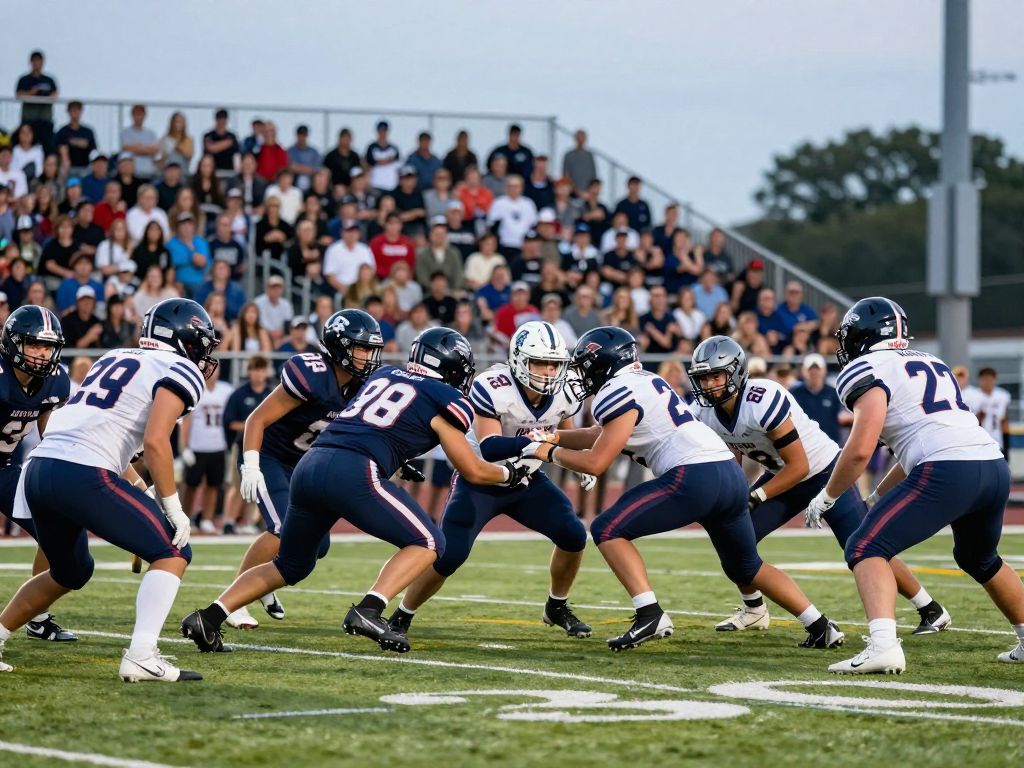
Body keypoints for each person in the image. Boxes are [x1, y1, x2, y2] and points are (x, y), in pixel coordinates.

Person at [181, 327, 532, 654]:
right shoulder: (445, 398)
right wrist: (509, 474)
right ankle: (370, 608)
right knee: (429, 542)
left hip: (311, 463)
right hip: (353, 469)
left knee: (291, 564)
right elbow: (471, 468)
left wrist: (395, 453)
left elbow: (368, 422)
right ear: (454, 369)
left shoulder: (384, 374)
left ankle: (208, 617)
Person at [518, 327, 846, 652]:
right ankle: (820, 626)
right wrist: (555, 437)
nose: (582, 374)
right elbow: (600, 435)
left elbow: (597, 462)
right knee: (747, 567)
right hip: (728, 474)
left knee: (607, 528)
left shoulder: (614, 390)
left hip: (693, 475)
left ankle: (650, 612)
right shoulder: (643, 381)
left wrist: (546, 453)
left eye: (586, 365)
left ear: (603, 363)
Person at [0, 298, 218, 681]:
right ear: (185, 339)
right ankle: (141, 655)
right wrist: (172, 505)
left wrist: (143, 493)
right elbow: (155, 441)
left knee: (71, 570)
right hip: (80, 472)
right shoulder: (181, 367)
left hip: (39, 470)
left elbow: (105, 437)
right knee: (174, 550)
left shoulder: (115, 355)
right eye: (201, 341)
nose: (204, 351)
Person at [807, 298, 1023, 673]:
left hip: (948, 469)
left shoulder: (866, 367)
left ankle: (883, 646)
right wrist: (877, 495)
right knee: (979, 557)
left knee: (865, 545)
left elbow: (860, 450)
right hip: (991, 466)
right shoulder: (932, 361)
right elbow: (922, 444)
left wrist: (828, 496)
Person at [688, 336, 949, 635]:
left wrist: (756, 495)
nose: (708, 385)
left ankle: (930, 608)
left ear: (735, 372)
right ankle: (754, 610)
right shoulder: (706, 411)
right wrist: (731, 495)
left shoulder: (761, 399)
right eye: (703, 378)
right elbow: (730, 455)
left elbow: (799, 466)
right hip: (782, 473)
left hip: (824, 471)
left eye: (715, 376)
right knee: (733, 538)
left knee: (863, 545)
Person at [392, 321, 592, 637]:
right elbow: (491, 446)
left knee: (573, 535)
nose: (549, 372)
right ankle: (402, 615)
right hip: (481, 479)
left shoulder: (565, 392)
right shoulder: (495, 386)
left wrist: (573, 458)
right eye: (540, 362)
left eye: (555, 364)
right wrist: (538, 444)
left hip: (527, 480)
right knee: (450, 555)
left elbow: (561, 425)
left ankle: (556, 605)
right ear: (518, 360)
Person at [0, 307, 75, 644]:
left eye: (47, 346)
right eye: (33, 345)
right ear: (14, 342)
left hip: (4, 468)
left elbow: (51, 432)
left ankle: (37, 618)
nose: (42, 353)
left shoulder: (55, 381)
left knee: (55, 524)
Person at [180, 370, 234, 534]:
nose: (213, 373)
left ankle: (207, 519)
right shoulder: (196, 389)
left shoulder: (226, 390)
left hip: (218, 445)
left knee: (214, 485)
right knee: (191, 485)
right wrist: (185, 447)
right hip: (197, 446)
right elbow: (186, 420)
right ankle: (185, 518)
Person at [789, 353, 845, 443]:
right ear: (804, 371)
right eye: (810, 369)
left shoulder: (834, 393)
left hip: (830, 444)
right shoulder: (794, 393)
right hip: (804, 443)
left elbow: (841, 415)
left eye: (817, 369)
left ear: (824, 370)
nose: (814, 372)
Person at [15, 51, 58, 152]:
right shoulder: (24, 79)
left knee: (49, 146)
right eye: (34, 60)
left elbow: (55, 95)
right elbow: (19, 95)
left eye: (39, 60)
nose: (36, 63)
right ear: (31, 62)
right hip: (29, 120)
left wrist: (44, 96)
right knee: (22, 143)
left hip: (45, 120)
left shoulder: (49, 80)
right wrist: (31, 93)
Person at [487, 176, 538, 258]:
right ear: (506, 187)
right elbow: (491, 224)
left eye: (516, 186)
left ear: (522, 188)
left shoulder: (528, 204)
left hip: (523, 246)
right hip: (505, 245)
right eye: (511, 186)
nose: (514, 189)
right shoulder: (499, 203)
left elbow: (533, 225)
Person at [324, 220, 375, 295]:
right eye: (348, 231)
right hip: (340, 290)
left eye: (354, 231)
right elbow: (330, 276)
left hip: (362, 290)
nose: (351, 234)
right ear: (342, 233)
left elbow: (371, 270)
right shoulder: (333, 249)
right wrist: (347, 290)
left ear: (359, 233)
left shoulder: (365, 249)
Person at [167, 212, 210, 296]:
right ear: (178, 227)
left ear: (194, 227)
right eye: (183, 224)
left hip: (200, 283)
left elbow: (202, 262)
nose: (186, 227)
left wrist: (191, 251)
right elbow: (170, 267)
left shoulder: (200, 242)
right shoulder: (171, 244)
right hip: (179, 283)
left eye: (189, 224)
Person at [975, 367, 1012, 458]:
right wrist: (979, 416)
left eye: (990, 379)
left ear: (995, 380)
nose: (988, 382)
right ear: (980, 380)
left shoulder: (1003, 395)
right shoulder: (973, 396)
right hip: (980, 440)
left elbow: (1005, 417)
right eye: (985, 379)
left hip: (999, 438)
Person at [54, 101, 95, 174]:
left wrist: (72, 141)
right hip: (68, 168)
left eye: (77, 110)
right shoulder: (62, 131)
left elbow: (93, 149)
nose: (75, 113)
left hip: (85, 167)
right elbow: (60, 149)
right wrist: (80, 143)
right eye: (73, 110)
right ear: (68, 112)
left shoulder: (88, 131)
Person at [252, 275, 293, 347]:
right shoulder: (258, 302)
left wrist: (280, 335)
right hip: (262, 335)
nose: (276, 290)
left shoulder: (286, 304)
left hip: (281, 337)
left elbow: (287, 325)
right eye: (273, 287)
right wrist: (273, 334)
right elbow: (259, 324)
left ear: (282, 290)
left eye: (278, 288)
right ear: (267, 288)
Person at [120, 105, 160, 179]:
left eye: (141, 114)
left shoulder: (151, 133)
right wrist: (146, 149)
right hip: (132, 173)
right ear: (132, 115)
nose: (139, 117)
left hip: (148, 172)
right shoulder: (125, 132)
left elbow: (155, 150)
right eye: (136, 114)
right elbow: (126, 148)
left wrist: (137, 147)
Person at [365, 120, 401, 192]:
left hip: (391, 186)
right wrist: (389, 160)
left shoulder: (394, 148)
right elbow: (368, 165)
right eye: (381, 131)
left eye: (384, 131)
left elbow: (398, 167)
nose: (383, 133)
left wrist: (380, 161)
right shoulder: (371, 147)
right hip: (376, 185)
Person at [202, 109, 240, 173]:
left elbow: (236, 155)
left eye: (224, 119)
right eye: (220, 119)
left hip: (229, 171)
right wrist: (226, 143)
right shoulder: (208, 136)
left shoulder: (232, 136)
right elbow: (210, 149)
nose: (222, 121)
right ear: (216, 120)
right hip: (212, 172)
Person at [561, 129, 597, 193]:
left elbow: (593, 175)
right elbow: (566, 175)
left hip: (587, 193)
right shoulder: (569, 155)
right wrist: (576, 190)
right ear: (575, 139)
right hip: (572, 193)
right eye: (579, 138)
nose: (580, 140)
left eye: (582, 138)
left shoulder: (589, 156)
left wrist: (590, 190)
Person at [287, 125, 321, 192]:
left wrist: (298, 168)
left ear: (307, 136)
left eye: (304, 135)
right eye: (300, 135)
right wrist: (307, 169)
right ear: (296, 136)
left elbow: (317, 169)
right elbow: (289, 167)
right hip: (294, 183)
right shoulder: (290, 151)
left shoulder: (314, 152)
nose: (302, 138)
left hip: (311, 183)